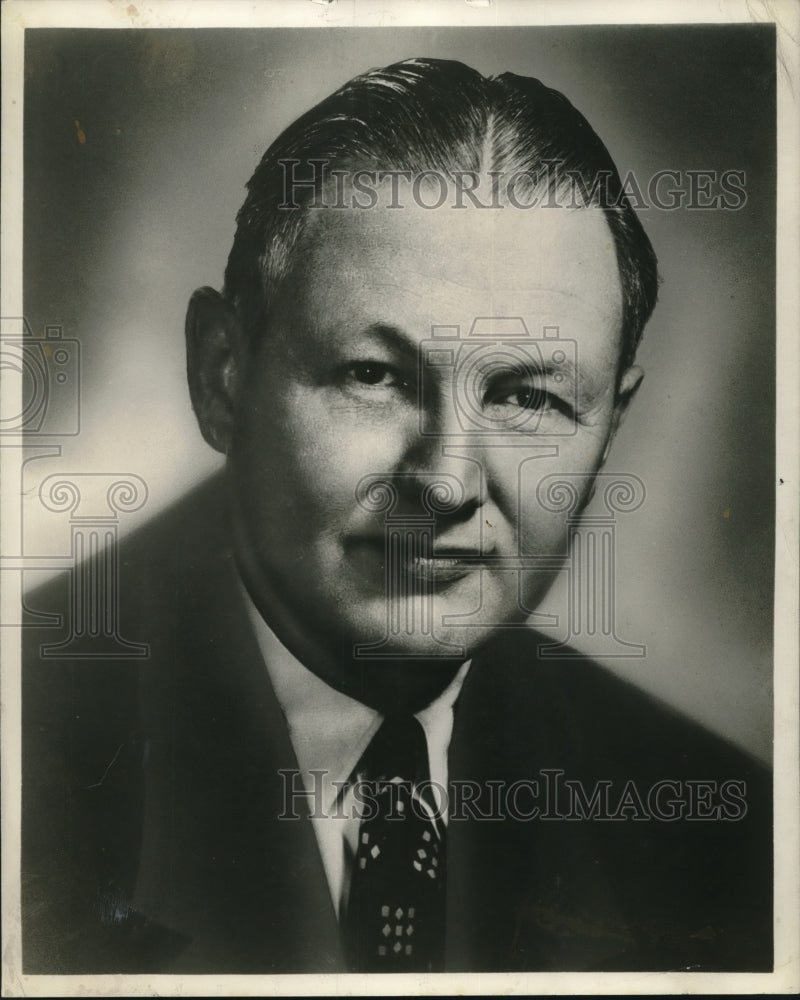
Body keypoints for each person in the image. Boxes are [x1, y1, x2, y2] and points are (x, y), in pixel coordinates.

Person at [21, 58, 771, 974]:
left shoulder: (730, 836)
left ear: (612, 423)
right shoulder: (31, 756)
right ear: (222, 375)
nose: (448, 483)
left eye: (529, 399)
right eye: (373, 377)